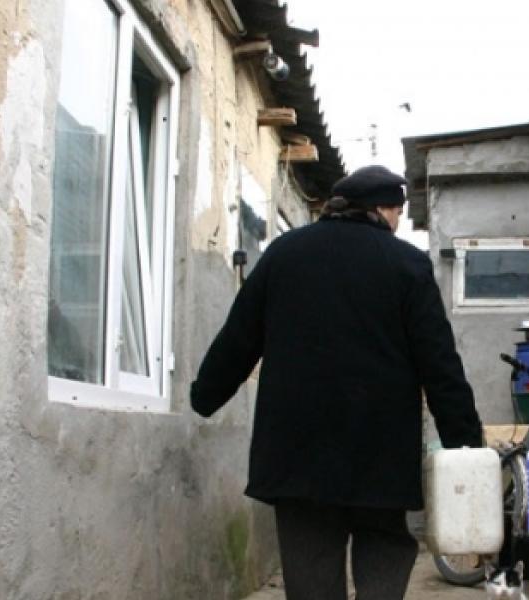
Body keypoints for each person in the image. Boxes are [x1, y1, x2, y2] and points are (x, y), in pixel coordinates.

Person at [190, 165, 484, 600]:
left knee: (309, 561)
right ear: (383, 209)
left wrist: (205, 395)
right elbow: (439, 364)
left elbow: (238, 338)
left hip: (297, 452)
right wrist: (465, 442)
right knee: (383, 546)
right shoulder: (406, 264)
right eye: (398, 213)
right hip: (380, 453)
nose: (397, 224)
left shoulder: (284, 253)